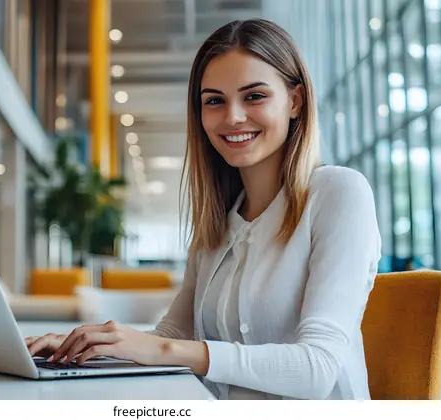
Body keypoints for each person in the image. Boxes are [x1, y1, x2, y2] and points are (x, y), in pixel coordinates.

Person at [25, 19, 382, 400]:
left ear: (294, 101)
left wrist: (164, 350)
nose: (233, 117)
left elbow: (317, 368)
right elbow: (171, 337)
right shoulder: (218, 219)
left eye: (254, 96)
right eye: (214, 101)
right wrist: (84, 349)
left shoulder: (339, 193)